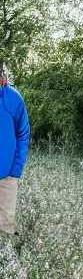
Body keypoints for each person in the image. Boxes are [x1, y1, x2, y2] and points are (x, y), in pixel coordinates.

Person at [0, 63, 30, 236]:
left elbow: (23, 134)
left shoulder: (13, 99)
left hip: (7, 177)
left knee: (5, 229)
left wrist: (15, 171)